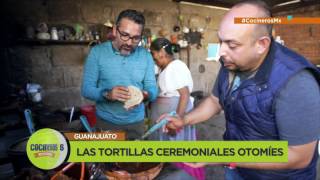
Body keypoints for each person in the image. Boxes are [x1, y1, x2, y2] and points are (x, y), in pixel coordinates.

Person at [159, 0, 320, 179]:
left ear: (261, 44)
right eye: (221, 41)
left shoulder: (296, 82)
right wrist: (184, 119)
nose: (221, 52)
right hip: (237, 169)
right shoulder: (231, 62)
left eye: (232, 45)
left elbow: (299, 156)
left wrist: (220, 154)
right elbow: (215, 101)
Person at [81, 9, 157, 140]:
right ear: (115, 30)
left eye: (135, 38)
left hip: (136, 124)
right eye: (125, 35)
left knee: (133, 160)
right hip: (106, 123)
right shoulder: (97, 53)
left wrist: (144, 95)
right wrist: (107, 94)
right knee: (109, 160)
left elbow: (153, 90)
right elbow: (86, 89)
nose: (129, 42)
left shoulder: (146, 56)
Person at [150, 38, 205, 180]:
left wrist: (178, 120)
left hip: (176, 116)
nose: (153, 58)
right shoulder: (166, 68)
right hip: (168, 117)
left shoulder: (176, 66)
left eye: (154, 54)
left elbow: (184, 95)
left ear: (162, 52)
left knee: (177, 151)